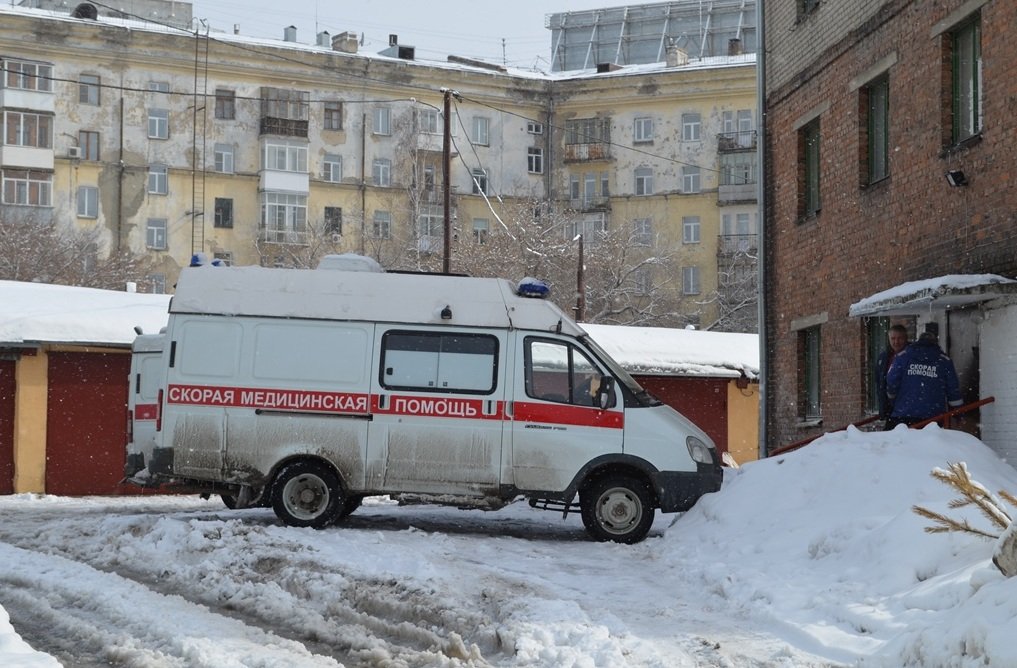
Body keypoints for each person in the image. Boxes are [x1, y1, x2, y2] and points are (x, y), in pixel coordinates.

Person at [885, 331, 963, 429]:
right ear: (935, 343)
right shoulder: (944, 361)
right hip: (933, 416)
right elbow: (953, 390)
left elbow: (892, 381)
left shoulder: (903, 357)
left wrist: (893, 401)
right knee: (929, 444)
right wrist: (958, 413)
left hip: (904, 415)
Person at [875, 324, 909, 422]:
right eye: (893, 338)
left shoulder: (912, 356)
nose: (896, 342)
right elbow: (879, 383)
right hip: (889, 410)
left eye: (900, 338)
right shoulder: (883, 358)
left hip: (906, 409)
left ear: (906, 338)